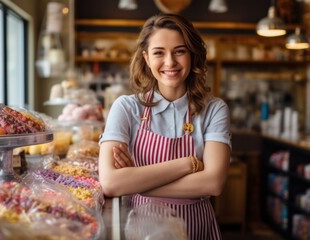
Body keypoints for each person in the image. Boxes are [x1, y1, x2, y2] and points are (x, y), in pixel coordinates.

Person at [98, 13, 232, 240]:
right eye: (159, 52)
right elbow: (111, 183)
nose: (170, 62)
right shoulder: (127, 107)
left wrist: (134, 182)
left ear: (192, 55)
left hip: (196, 229)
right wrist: (187, 164)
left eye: (179, 51)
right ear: (147, 58)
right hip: (143, 229)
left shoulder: (214, 109)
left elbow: (214, 183)